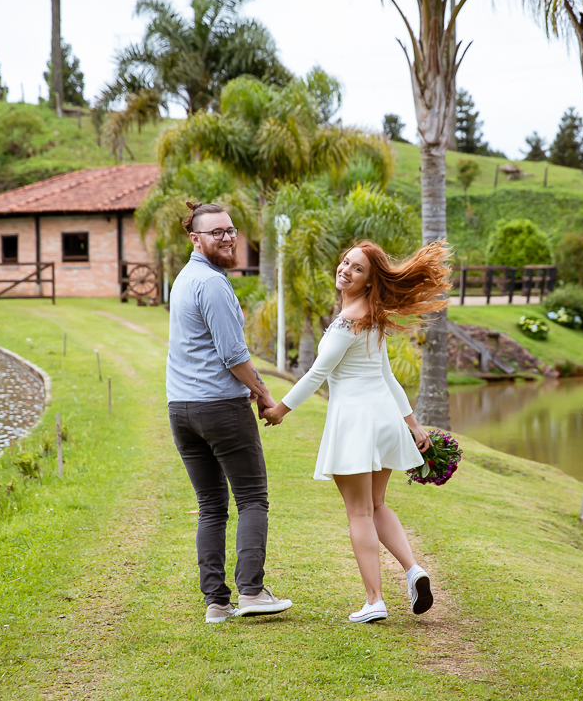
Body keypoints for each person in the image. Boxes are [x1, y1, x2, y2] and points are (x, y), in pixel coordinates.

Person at [261, 240, 451, 623]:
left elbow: (317, 373)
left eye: (357, 268)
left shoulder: (350, 321)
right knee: (377, 504)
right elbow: (388, 376)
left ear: (369, 281)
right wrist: (410, 423)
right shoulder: (371, 316)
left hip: (356, 422)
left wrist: (280, 409)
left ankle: (374, 600)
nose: (345, 270)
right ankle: (414, 571)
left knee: (359, 512)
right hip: (382, 419)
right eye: (345, 262)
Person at [165, 201, 292, 624]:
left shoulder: (183, 279)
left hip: (181, 409)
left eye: (230, 230)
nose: (227, 237)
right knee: (252, 498)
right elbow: (233, 355)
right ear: (195, 238)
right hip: (218, 407)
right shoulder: (212, 284)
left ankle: (216, 603)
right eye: (216, 231)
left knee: (211, 506)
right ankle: (252, 592)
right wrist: (263, 393)